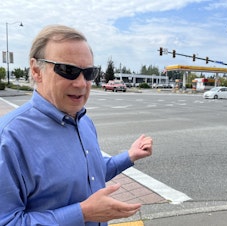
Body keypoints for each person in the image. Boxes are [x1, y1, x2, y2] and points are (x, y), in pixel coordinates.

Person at [0, 25, 153, 226]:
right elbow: (8, 221)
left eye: (89, 73)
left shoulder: (83, 121)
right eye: (68, 70)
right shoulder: (9, 138)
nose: (82, 83)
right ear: (37, 71)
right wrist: (83, 213)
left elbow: (90, 173)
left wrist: (130, 156)